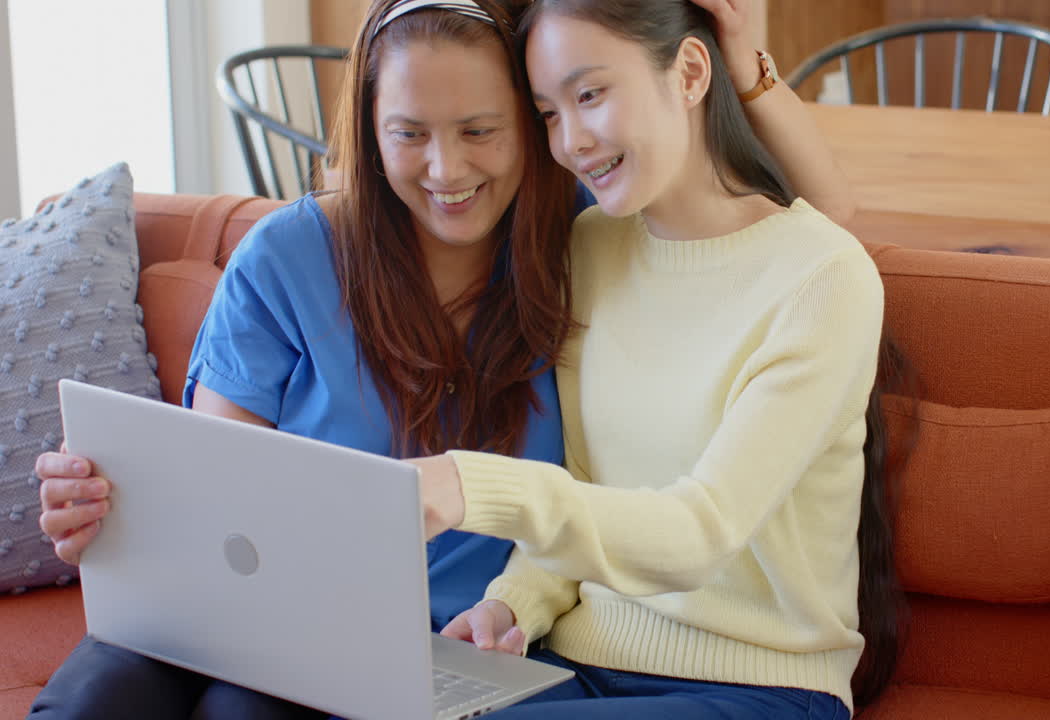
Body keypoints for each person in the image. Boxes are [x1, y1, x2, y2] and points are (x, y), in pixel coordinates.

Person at [30, 1, 858, 718]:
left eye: (482, 130)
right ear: (371, 131)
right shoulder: (301, 254)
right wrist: (115, 516)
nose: (447, 168)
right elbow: (215, 495)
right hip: (277, 611)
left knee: (240, 712)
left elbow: (807, 241)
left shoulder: (572, 236)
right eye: (409, 134)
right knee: (106, 698)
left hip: (441, 644)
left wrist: (746, 72)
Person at [417, 1, 899, 718]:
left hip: (759, 689)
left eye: (590, 95)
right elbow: (586, 481)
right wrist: (513, 604)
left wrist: (469, 485)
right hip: (579, 662)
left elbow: (700, 533)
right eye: (548, 112)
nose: (571, 141)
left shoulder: (825, 278)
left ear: (692, 73)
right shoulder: (590, 248)